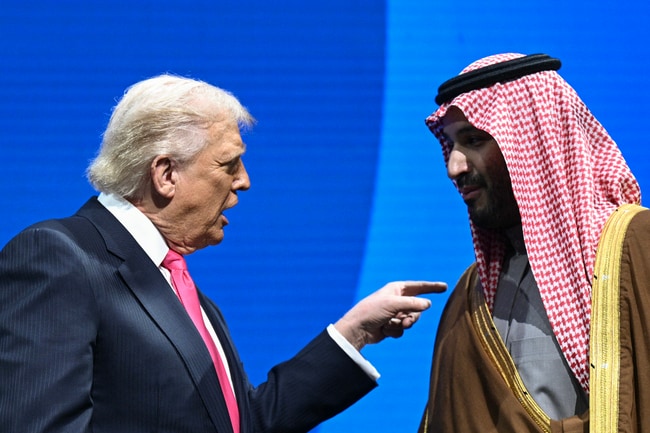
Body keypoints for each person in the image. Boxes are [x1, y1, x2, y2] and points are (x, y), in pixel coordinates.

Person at [0, 74, 447, 433]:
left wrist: (354, 332)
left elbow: (242, 423)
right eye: (229, 164)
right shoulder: (59, 257)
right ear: (166, 174)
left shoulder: (188, 296)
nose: (244, 181)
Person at [417, 53, 649, 432]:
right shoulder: (468, 295)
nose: (454, 168)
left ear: (534, 142)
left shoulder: (635, 248)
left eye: (473, 140)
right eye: (451, 145)